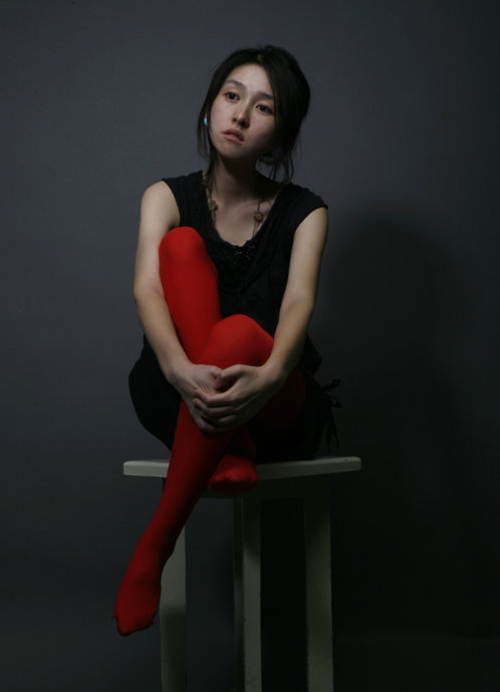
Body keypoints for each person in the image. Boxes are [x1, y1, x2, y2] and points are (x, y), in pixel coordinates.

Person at [113, 45, 334, 636]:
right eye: (232, 96)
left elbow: (298, 304)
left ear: (279, 132)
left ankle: (154, 545)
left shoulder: (306, 212)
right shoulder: (165, 196)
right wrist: (178, 370)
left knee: (238, 331)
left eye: (263, 107)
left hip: (274, 398)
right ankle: (229, 444)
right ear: (210, 107)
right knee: (179, 247)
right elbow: (146, 289)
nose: (239, 114)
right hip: (179, 389)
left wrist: (269, 378)